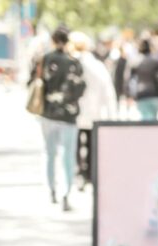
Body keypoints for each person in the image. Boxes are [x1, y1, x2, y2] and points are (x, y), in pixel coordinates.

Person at [36, 25, 86, 211]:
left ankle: (52, 189)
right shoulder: (74, 62)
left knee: (50, 153)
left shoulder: (45, 59)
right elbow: (80, 88)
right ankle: (66, 192)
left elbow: (37, 82)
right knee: (68, 156)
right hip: (68, 115)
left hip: (48, 112)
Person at [69, 31, 117, 191]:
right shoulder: (96, 65)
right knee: (91, 144)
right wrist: (111, 115)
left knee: (75, 144)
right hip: (93, 112)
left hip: (74, 112)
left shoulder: (71, 63)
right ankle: (89, 173)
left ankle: (79, 173)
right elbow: (107, 90)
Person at [130, 39, 158, 120]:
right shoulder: (155, 61)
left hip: (141, 94)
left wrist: (130, 94)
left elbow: (131, 80)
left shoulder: (135, 62)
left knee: (145, 119)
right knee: (152, 120)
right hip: (154, 93)